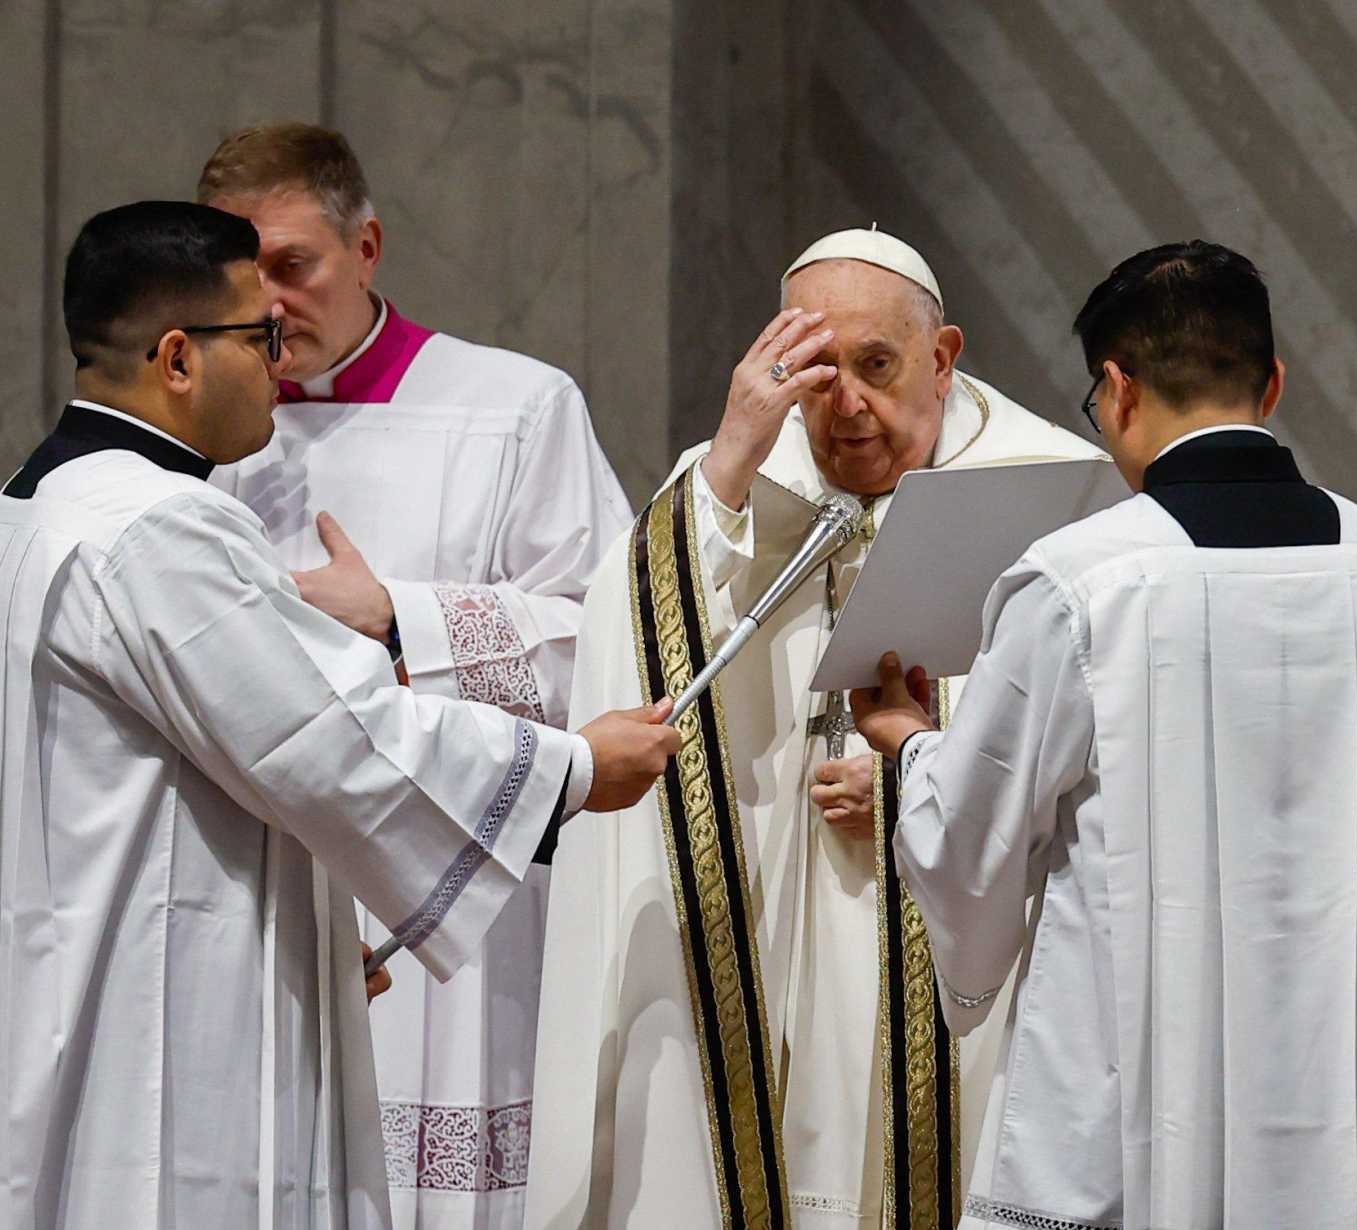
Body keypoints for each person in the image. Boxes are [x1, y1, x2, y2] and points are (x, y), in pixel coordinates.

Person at [0, 200, 679, 1229]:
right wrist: (575, 771)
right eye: (257, 336)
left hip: (82, 974)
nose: (279, 361)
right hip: (159, 1022)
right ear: (177, 359)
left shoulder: (34, 510)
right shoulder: (156, 531)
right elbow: (333, 739)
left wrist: (305, 938)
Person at [846, 240, 1357, 1230]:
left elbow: (975, 829)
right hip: (1339, 1070)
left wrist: (910, 742)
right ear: (1272, 382)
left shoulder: (1084, 578)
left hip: (1135, 1077)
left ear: (1117, 388)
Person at [527, 228, 1106, 1229]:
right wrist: (731, 460)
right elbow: (634, 639)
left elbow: (1087, 738)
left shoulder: (1049, 493)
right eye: (813, 371)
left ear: (944, 352)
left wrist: (922, 784)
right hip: (771, 936)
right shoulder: (737, 483)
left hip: (961, 949)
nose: (845, 407)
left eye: (877, 367)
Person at [196, 122, 632, 1226]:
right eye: (244, 275)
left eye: (294, 266)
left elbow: (611, 646)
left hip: (455, 913)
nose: (270, 305)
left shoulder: (515, 406)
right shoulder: (195, 438)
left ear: (369, 245)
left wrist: (402, 617)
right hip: (258, 897)